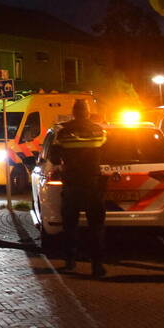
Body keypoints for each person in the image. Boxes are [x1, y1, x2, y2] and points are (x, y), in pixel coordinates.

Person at [50, 98, 107, 277]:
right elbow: (107, 152)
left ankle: (70, 261)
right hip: (93, 183)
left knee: (70, 225)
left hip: (72, 184)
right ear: (88, 112)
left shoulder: (64, 132)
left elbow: (54, 157)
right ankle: (97, 265)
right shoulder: (99, 131)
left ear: (73, 112)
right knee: (96, 226)